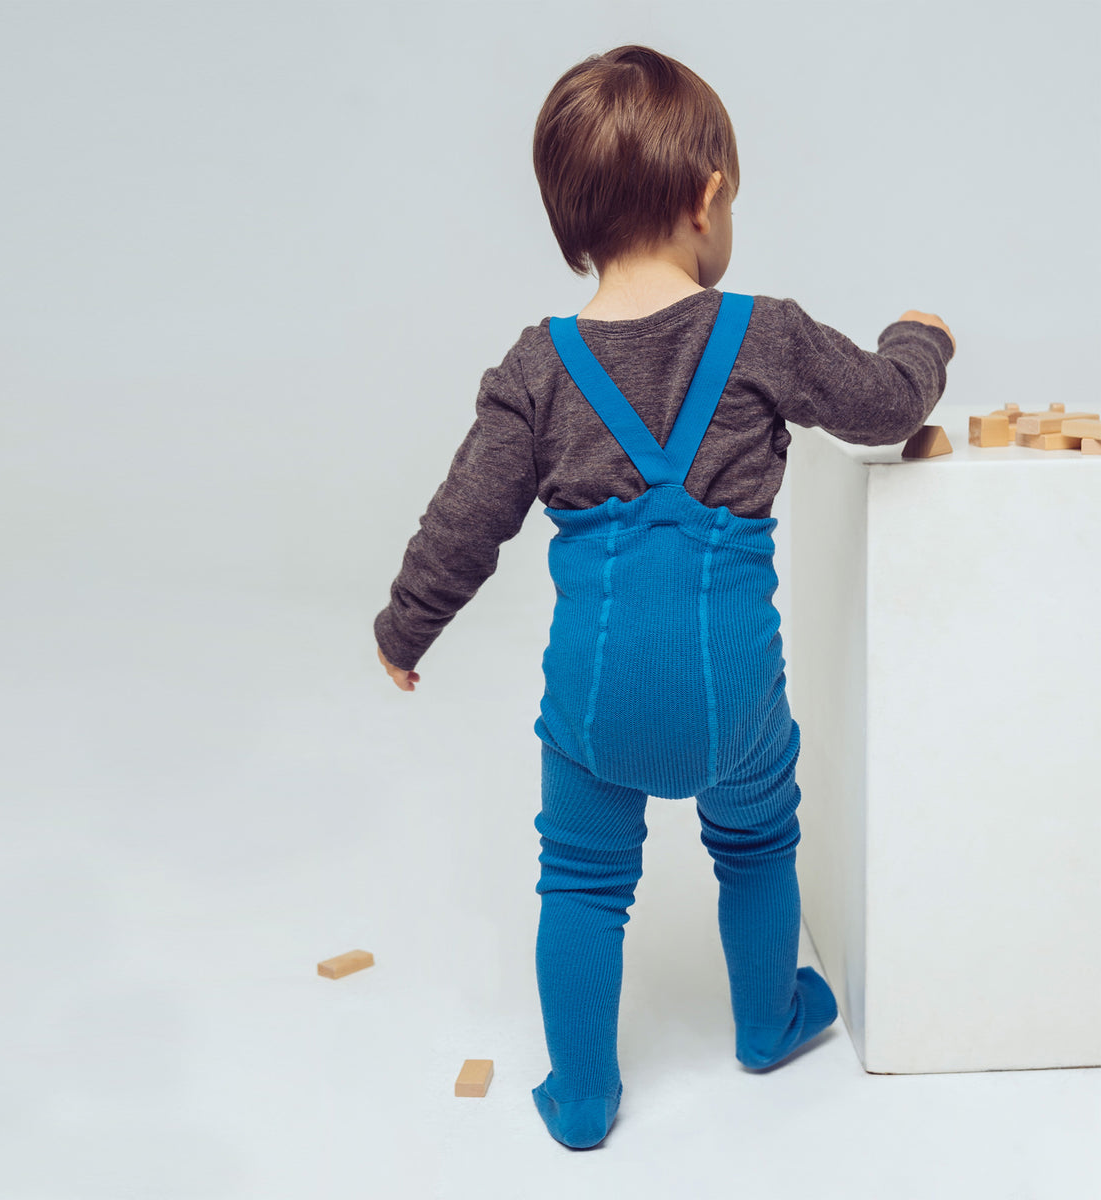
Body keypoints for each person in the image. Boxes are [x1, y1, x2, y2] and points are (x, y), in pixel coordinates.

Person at [373, 44, 955, 1150]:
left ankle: (583, 1097)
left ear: (572, 222)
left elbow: (466, 520)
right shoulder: (765, 335)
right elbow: (881, 407)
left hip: (596, 706)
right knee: (758, 840)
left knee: (582, 881)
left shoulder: (536, 368)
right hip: (733, 692)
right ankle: (770, 1019)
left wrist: (406, 627)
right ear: (710, 198)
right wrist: (920, 343)